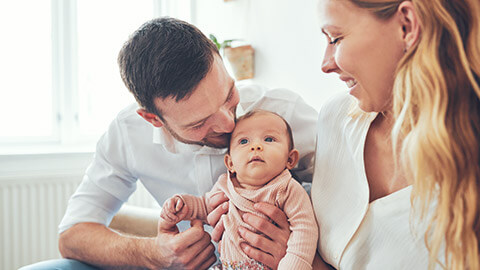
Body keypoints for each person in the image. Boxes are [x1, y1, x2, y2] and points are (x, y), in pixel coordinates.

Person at [21, 18, 318, 269]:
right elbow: (72, 235)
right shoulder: (127, 134)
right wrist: (154, 254)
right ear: (153, 118)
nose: (229, 124)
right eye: (199, 123)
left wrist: (303, 259)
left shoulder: (283, 114)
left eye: (229, 96)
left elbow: (358, 223)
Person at [312, 0, 479, 269]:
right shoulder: (334, 119)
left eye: (335, 38)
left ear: (407, 25)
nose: (326, 64)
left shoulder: (470, 170)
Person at [161, 110, 318, 270]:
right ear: (230, 164)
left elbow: (304, 229)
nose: (256, 146)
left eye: (269, 139)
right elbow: (204, 206)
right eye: (244, 141)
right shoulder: (224, 185)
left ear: (290, 159)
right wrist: (182, 204)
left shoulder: (287, 189)